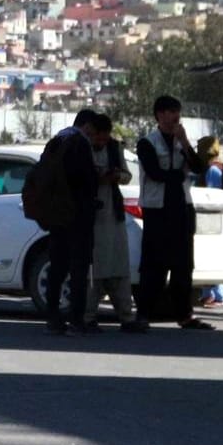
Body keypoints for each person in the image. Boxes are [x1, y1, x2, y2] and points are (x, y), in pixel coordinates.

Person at [136, 95, 212, 329]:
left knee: (183, 265)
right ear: (159, 115)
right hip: (157, 210)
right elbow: (155, 173)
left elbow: (199, 168)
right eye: (169, 112)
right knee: (153, 264)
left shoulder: (182, 142)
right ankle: (144, 314)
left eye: (177, 113)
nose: (174, 117)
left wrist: (186, 144)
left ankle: (185, 315)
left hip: (182, 208)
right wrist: (179, 174)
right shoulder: (147, 143)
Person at [36, 109, 101, 336]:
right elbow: (85, 181)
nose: (93, 138)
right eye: (92, 133)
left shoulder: (56, 141)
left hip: (57, 215)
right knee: (79, 269)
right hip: (78, 216)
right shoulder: (79, 144)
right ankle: (76, 320)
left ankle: (53, 318)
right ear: (86, 127)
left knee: (57, 267)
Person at [80, 112, 143, 333]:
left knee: (118, 266)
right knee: (94, 270)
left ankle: (126, 317)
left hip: (112, 214)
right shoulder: (81, 149)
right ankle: (87, 317)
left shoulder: (114, 149)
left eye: (104, 138)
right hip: (91, 217)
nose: (101, 142)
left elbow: (127, 175)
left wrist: (116, 176)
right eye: (98, 138)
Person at [197, 136, 223, 308]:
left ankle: (217, 295)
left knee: (211, 255)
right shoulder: (213, 169)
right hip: (210, 219)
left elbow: (210, 195)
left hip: (211, 219)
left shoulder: (211, 171)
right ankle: (209, 293)